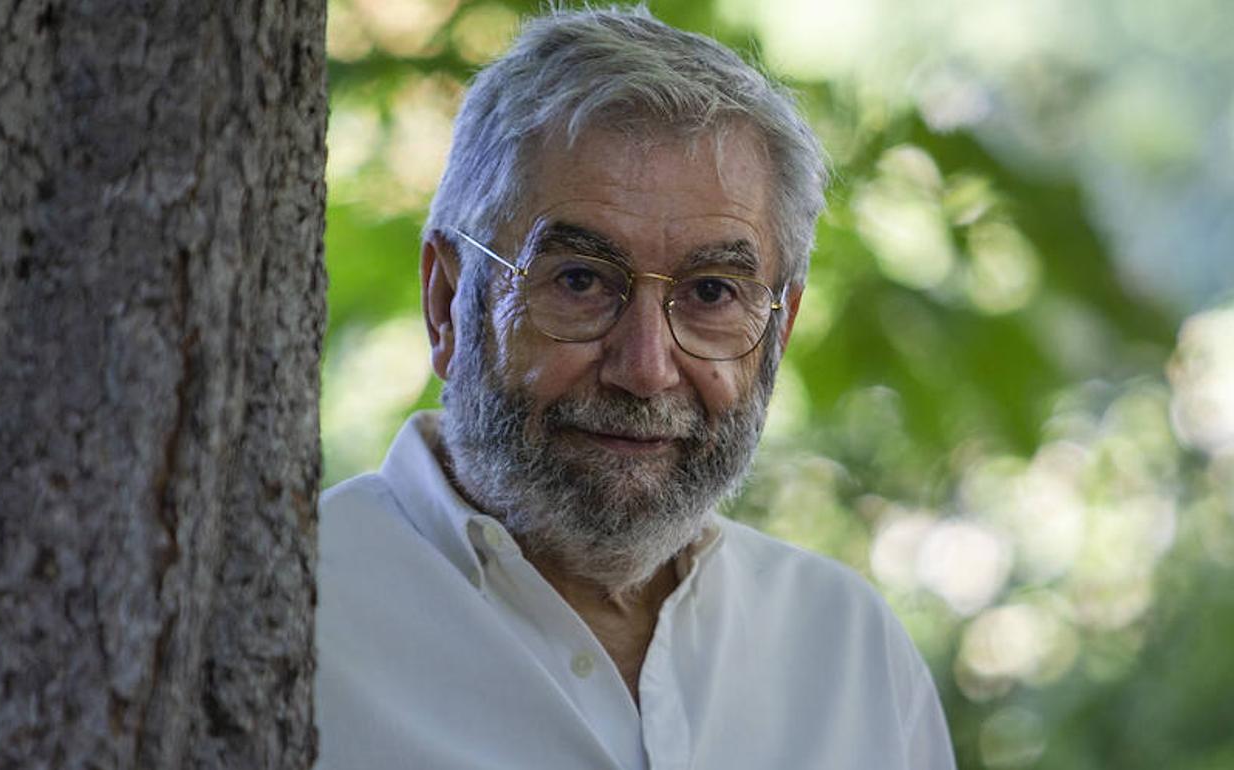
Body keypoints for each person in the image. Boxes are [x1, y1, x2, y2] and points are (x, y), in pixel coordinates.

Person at [315, 7, 956, 769]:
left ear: (778, 332)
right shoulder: (290, 612)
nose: (646, 367)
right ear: (446, 301)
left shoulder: (849, 653)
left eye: (713, 293)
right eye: (581, 281)